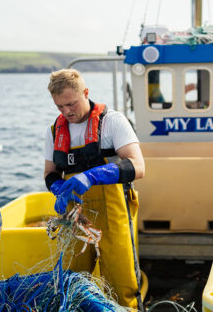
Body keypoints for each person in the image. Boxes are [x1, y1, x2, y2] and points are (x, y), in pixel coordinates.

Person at [44, 68, 145, 310]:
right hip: (74, 215)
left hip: (113, 211)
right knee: (71, 281)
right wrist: (57, 188)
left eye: (71, 103)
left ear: (86, 93)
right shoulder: (54, 131)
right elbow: (50, 173)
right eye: (60, 107)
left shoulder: (112, 122)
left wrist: (92, 176)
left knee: (123, 284)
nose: (67, 111)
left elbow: (138, 166)